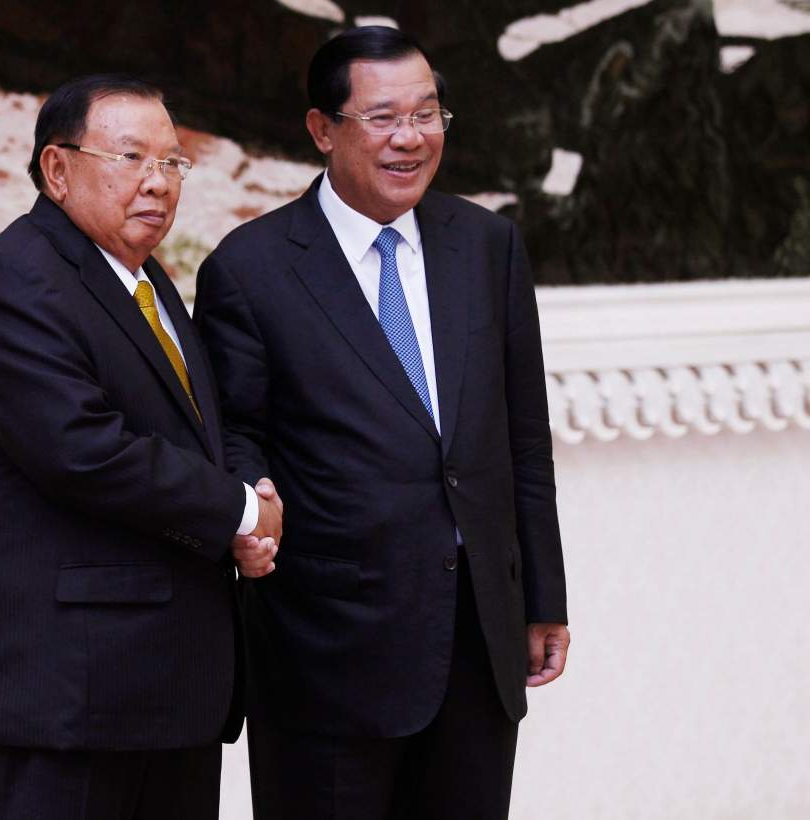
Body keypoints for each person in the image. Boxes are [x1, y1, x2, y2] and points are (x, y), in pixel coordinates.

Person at [194, 27, 570, 820]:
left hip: (477, 637)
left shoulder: (488, 246)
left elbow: (522, 440)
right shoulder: (251, 268)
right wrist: (248, 498)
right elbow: (235, 433)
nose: (412, 137)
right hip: (326, 650)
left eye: (429, 114)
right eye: (384, 117)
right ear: (323, 130)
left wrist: (541, 596)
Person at [0, 74, 281, 820]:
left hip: (157, 693)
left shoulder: (143, 280)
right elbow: (85, 452)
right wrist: (239, 512)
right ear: (57, 170)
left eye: (173, 163)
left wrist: (235, 513)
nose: (158, 183)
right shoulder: (14, 282)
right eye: (130, 158)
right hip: (58, 702)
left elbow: (193, 435)